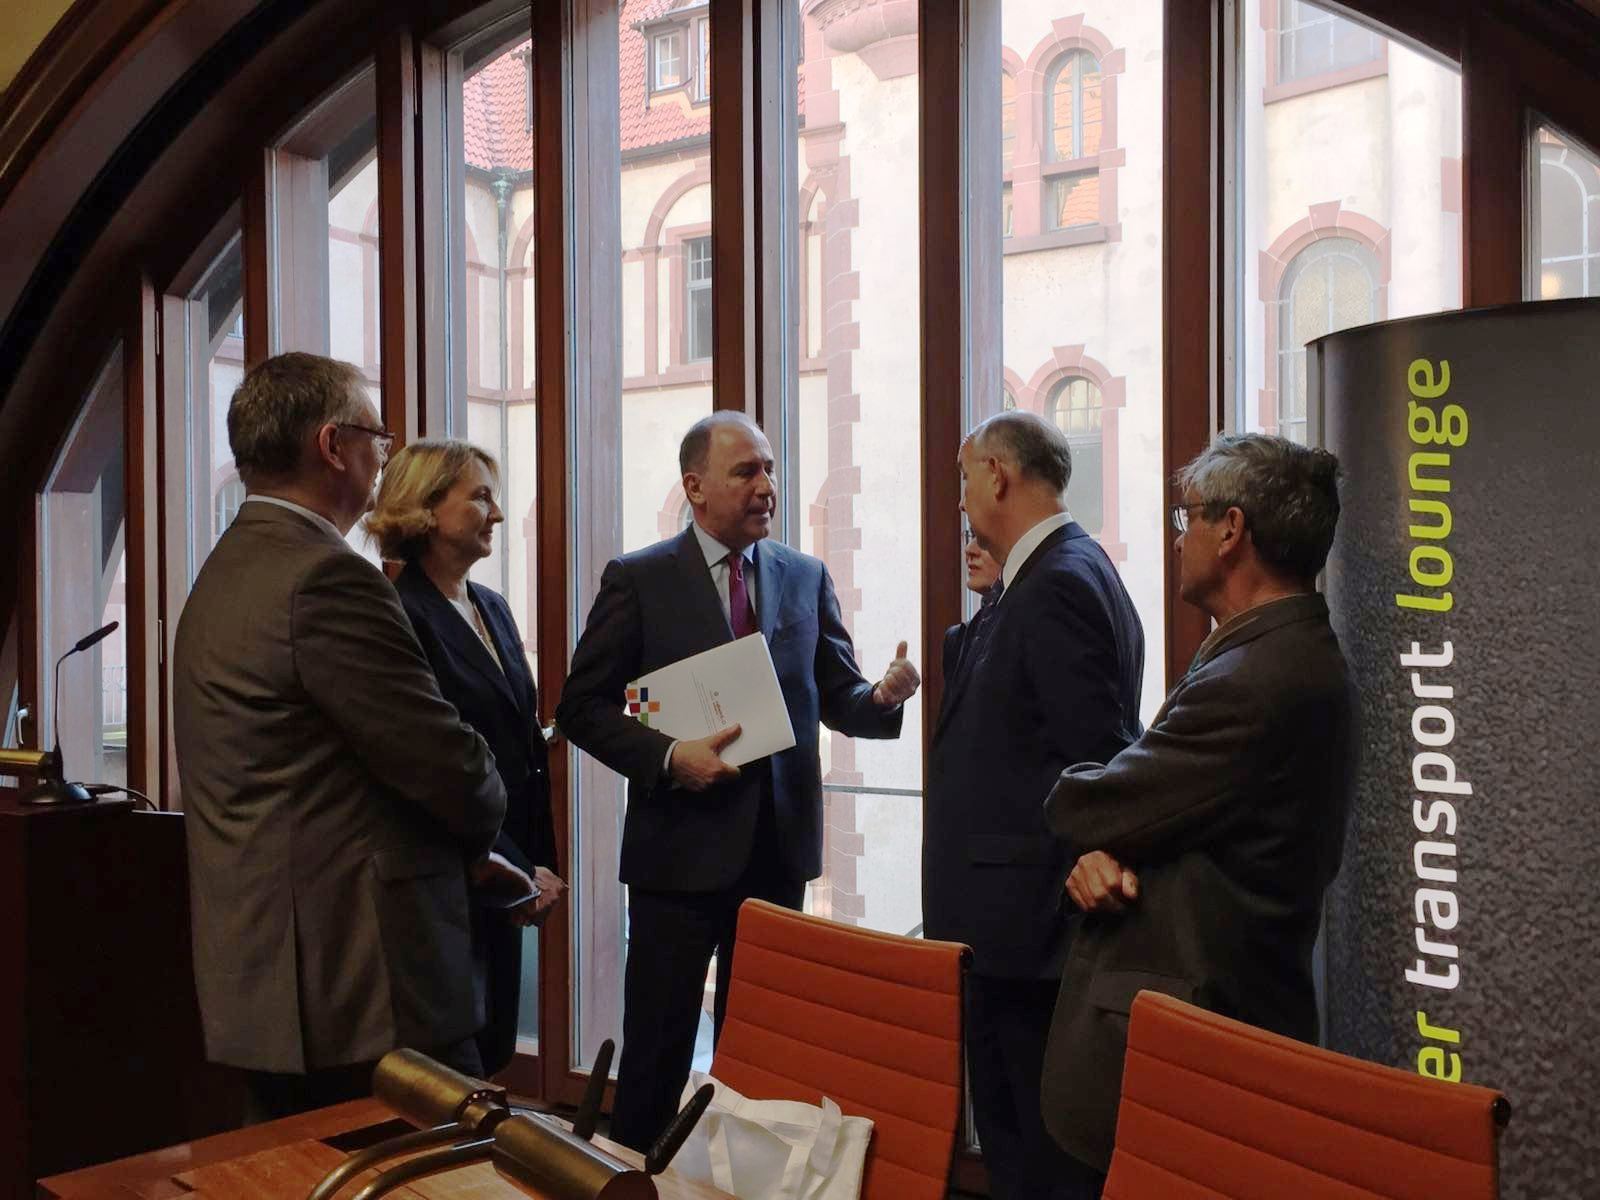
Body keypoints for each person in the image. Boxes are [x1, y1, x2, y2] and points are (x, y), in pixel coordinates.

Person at [556, 410, 920, 1152]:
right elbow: (580, 708)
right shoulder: (639, 579)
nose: (767, 486)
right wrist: (669, 757)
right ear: (695, 487)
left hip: (777, 855)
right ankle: (635, 1180)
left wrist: (882, 698)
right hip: (677, 859)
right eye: (747, 472)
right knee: (658, 1050)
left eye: (771, 470)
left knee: (763, 1051)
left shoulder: (804, 575)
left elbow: (837, 694)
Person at [172, 353, 509, 1122]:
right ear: (333, 446)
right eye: (377, 438)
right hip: (363, 983)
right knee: (439, 1167)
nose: (382, 457)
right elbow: (443, 762)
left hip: (269, 974)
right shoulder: (327, 577)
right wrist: (485, 809)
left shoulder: (226, 567)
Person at [1040, 433, 1355, 1192]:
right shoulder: (1273, 652)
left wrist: (1102, 827)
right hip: (1215, 1022)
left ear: (1231, 529)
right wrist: (1109, 847)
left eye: (1188, 518)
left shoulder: (1259, 677)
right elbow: (1159, 812)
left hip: (1201, 1042)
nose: (1179, 538)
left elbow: (1087, 805)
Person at [924, 411, 1144, 1200]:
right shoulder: (1046, 575)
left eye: (963, 478)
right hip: (1008, 933)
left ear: (997, 475)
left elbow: (1099, 757)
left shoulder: (1058, 584)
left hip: (1028, 937)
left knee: (1036, 1164)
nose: (959, 501)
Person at [366, 439, 568, 1078]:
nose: (497, 514)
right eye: (480, 497)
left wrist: (535, 862)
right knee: (453, 1067)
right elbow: (428, 765)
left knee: (494, 1045)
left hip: (507, 870)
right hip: (451, 876)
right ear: (426, 508)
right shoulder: (399, 614)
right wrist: (514, 863)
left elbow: (519, 743)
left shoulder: (493, 607)